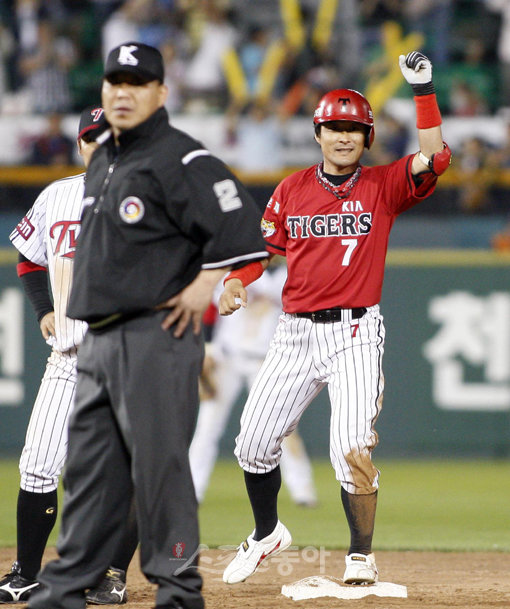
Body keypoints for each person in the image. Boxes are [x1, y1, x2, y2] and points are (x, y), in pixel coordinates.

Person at [27, 42, 267, 609]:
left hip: (154, 335)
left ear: (161, 92)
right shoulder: (105, 160)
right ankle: (67, 585)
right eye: (115, 82)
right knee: (89, 472)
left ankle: (178, 590)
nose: (123, 93)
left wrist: (207, 284)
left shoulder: (183, 158)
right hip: (95, 340)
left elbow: (243, 232)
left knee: (159, 471)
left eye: (137, 83)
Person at [219, 51, 451, 586]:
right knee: (252, 444)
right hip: (295, 333)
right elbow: (262, 252)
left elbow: (435, 157)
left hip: (355, 332)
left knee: (350, 447)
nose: (343, 137)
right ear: (317, 134)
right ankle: (266, 533)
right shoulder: (291, 189)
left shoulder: (384, 184)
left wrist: (423, 91)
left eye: (353, 129)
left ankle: (360, 556)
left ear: (367, 138)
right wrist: (235, 281)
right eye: (334, 128)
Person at [2, 106, 137, 606]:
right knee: (37, 465)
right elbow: (29, 258)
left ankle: (113, 574)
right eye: (91, 139)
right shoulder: (56, 195)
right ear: (80, 146)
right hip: (70, 356)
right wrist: (43, 309)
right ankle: (24, 573)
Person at [189, 263, 318, 507]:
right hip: (227, 358)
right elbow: (211, 309)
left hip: (266, 361)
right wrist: (209, 348)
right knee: (207, 426)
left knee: (284, 428)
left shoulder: (292, 273)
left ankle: (303, 490)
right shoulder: (239, 271)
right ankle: (193, 489)